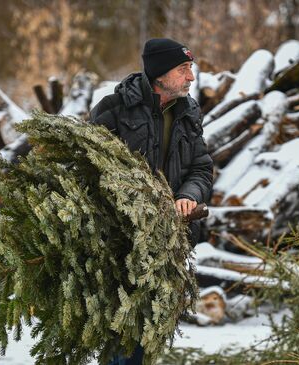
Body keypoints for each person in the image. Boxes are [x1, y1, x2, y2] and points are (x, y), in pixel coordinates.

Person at [89, 38, 213, 365]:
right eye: (183, 69)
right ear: (159, 73)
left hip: (169, 240)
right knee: (123, 331)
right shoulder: (113, 109)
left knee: (149, 330)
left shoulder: (188, 111)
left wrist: (188, 195)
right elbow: (93, 172)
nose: (191, 77)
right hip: (121, 241)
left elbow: (201, 167)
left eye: (190, 68)